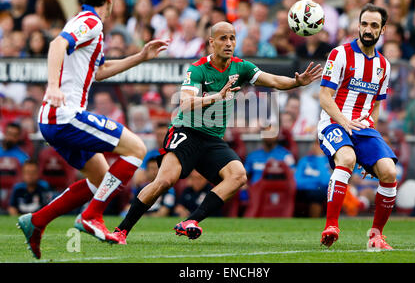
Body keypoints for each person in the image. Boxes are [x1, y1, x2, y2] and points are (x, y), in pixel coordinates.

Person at [111, 21, 322, 244]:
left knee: (238, 175)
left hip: (212, 139)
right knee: (165, 181)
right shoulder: (198, 68)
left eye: (232, 38)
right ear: (212, 42)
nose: (229, 43)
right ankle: (121, 230)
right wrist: (216, 96)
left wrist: (296, 82)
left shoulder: (241, 67)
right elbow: (184, 102)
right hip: (187, 132)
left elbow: (274, 80)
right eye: (223, 38)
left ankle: (190, 221)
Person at [16, 0, 169, 259]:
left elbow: (99, 70)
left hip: (53, 119)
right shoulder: (91, 22)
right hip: (64, 115)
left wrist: (140, 57)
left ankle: (36, 221)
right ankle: (92, 216)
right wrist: (52, 86)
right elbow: (56, 44)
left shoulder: (84, 22)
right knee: (136, 148)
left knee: (101, 179)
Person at [318, 4, 398, 250]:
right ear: (358, 25)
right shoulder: (339, 54)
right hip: (333, 122)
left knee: (389, 172)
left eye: (374, 25)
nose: (367, 29)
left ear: (382, 30)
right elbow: (324, 96)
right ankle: (331, 225)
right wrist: (344, 122)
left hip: (363, 129)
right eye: (364, 23)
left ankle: (376, 236)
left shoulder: (384, 65)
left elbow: (376, 105)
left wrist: (370, 138)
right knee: (347, 157)